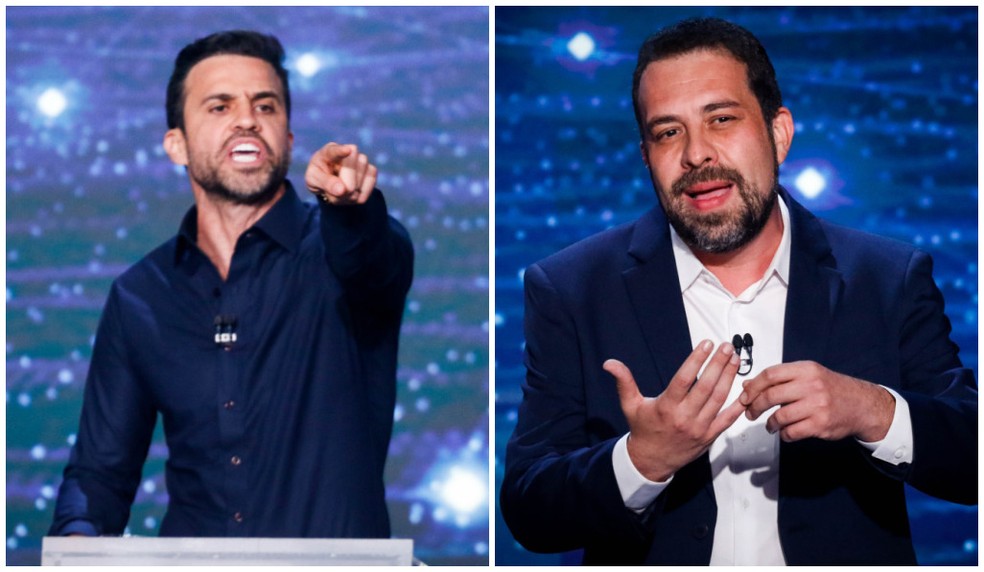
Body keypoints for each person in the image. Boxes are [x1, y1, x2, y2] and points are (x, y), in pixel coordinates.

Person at [500, 17, 976, 565]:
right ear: (646, 155)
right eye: (668, 132)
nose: (697, 154)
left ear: (778, 133)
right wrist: (642, 459)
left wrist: (873, 411)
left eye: (721, 119)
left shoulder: (887, 276)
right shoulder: (571, 288)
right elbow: (529, 509)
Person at [49, 30, 414, 539]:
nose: (247, 119)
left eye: (265, 106)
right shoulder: (141, 295)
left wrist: (349, 209)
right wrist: (76, 540)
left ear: (287, 139)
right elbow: (99, 475)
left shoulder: (340, 250)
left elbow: (369, 260)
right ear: (176, 144)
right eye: (219, 107)